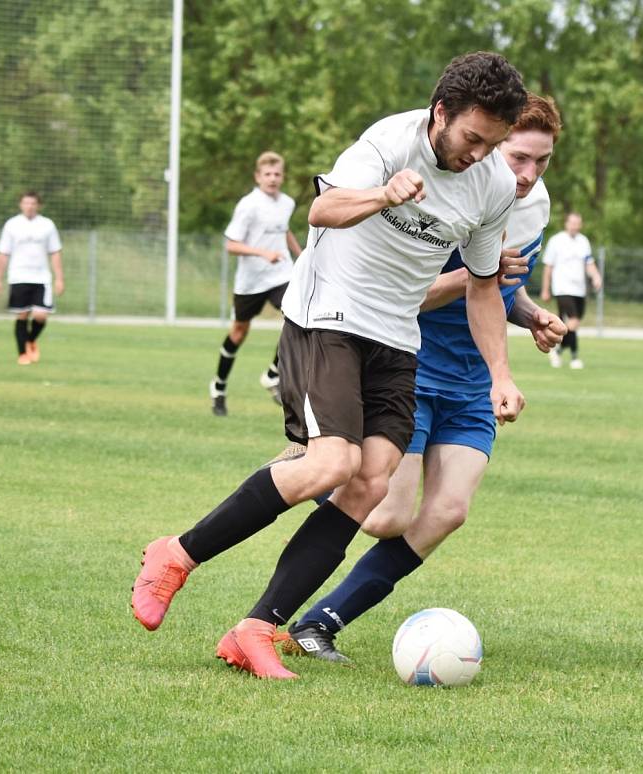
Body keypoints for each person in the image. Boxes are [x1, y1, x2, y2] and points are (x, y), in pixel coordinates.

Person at [131, 51, 528, 680]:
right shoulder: (387, 141)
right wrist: (382, 193)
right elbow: (320, 211)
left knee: (370, 482)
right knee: (332, 461)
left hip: (398, 336)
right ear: (441, 112)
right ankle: (175, 554)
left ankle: (255, 630)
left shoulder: (494, 184)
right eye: (473, 139)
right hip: (328, 316)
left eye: (494, 143)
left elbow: (482, 285)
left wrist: (501, 373)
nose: (480, 155)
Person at [281, 94, 567, 663]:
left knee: (448, 512)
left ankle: (319, 621)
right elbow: (416, 295)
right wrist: (470, 279)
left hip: (471, 381)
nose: (528, 175)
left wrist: (530, 314)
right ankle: (310, 464)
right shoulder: (452, 189)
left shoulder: (534, 206)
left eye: (542, 161)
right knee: (386, 514)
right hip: (412, 365)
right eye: (517, 158)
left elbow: (497, 289)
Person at [209, 151, 302, 415]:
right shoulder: (248, 205)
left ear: (282, 177)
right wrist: (263, 253)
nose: (272, 179)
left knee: (297, 315)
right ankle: (218, 386)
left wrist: (301, 254)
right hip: (251, 281)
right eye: (267, 174)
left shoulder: (286, 203)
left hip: (281, 275)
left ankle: (274, 373)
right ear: (258, 177)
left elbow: (283, 229)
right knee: (239, 332)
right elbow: (231, 245)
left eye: (277, 174)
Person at [0, 191, 64, 365]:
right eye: (26, 203)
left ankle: (30, 340)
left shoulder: (47, 225)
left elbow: (55, 252)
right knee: (22, 314)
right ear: (21, 204)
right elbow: (3, 253)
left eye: (33, 203)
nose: (29, 206)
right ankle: (23, 354)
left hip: (41, 277)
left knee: (41, 315)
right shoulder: (12, 225)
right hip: (18, 276)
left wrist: (59, 278)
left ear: (38, 205)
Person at [540, 212, 602, 369]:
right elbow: (549, 267)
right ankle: (574, 357)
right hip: (562, 288)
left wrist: (596, 276)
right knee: (572, 320)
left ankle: (558, 350)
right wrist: (546, 289)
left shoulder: (583, 241)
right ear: (566, 223)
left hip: (579, 290)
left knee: (570, 324)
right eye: (572, 223)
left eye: (578, 223)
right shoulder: (556, 241)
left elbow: (589, 263)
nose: (575, 226)